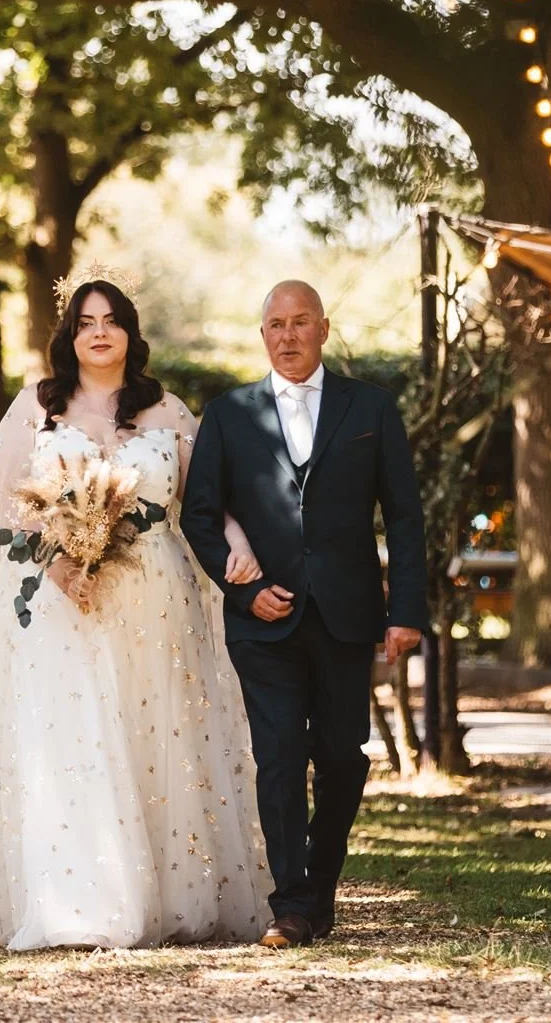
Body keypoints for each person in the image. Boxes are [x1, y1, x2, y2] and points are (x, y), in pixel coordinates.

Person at [0, 268, 273, 950]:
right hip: (67, 603)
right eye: (85, 322)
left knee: (158, 738)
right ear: (69, 334)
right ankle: (83, 902)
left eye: (110, 319)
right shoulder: (37, 405)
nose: (98, 332)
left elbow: (209, 496)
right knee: (75, 738)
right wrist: (57, 560)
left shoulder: (166, 410)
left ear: (129, 331)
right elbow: (4, 505)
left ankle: (169, 896)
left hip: (156, 598)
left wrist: (237, 542)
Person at [180, 280, 428, 948]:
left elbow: (404, 516)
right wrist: (241, 590)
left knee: (343, 756)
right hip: (263, 617)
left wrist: (406, 611)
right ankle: (291, 903)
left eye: (299, 322)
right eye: (275, 324)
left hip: (348, 614)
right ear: (262, 334)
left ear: (322, 327)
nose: (287, 335)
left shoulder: (371, 407)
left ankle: (320, 887)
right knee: (281, 754)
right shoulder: (229, 413)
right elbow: (198, 514)